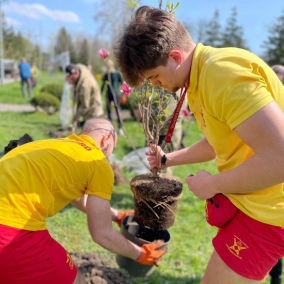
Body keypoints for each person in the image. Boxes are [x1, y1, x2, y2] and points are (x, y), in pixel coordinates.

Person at [114, 6, 284, 284]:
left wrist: (215, 184)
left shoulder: (223, 74)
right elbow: (222, 139)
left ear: (175, 57)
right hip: (252, 203)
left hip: (271, 212)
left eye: (155, 77)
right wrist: (169, 160)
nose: (157, 86)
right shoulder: (197, 80)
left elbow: (281, 158)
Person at [0, 117, 166, 284]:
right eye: (112, 149)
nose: (109, 156)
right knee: (75, 280)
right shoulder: (97, 161)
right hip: (11, 232)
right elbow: (102, 234)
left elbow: (77, 199)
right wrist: (141, 254)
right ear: (106, 139)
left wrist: (118, 216)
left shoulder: (58, 146)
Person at [65, 63, 104, 130]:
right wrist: (75, 83)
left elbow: (85, 105)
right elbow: (79, 66)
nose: (71, 80)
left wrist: (75, 119)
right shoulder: (80, 69)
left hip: (94, 113)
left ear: (76, 73)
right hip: (88, 113)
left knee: (91, 136)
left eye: (72, 78)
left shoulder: (85, 86)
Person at [101, 59, 124, 134]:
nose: (108, 66)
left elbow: (122, 83)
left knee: (117, 111)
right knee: (109, 112)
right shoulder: (106, 74)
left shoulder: (117, 73)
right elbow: (103, 85)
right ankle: (110, 128)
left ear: (112, 65)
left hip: (116, 94)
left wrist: (123, 94)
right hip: (108, 95)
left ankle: (120, 127)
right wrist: (100, 94)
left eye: (109, 64)